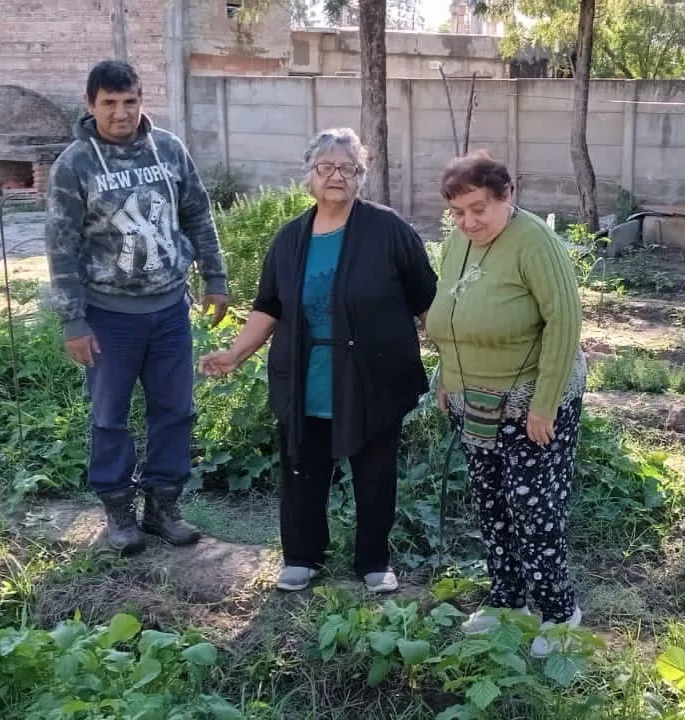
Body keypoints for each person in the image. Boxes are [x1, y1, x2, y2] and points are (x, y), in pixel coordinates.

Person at [198, 128, 437, 594]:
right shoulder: (291, 238)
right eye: (326, 167)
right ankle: (302, 557)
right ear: (309, 175)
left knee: (375, 472)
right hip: (305, 375)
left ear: (361, 176)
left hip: (373, 374)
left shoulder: (389, 230)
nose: (336, 176)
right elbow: (269, 307)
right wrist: (235, 353)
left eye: (348, 168)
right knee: (301, 469)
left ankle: (374, 561)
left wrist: (456, 357)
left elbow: (427, 300)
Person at [44, 60, 228, 556]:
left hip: (169, 311)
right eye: (109, 103)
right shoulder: (74, 165)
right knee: (110, 417)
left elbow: (197, 213)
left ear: (141, 101)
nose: (121, 113)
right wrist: (73, 320)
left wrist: (215, 277)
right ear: (90, 105)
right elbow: (60, 247)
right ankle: (119, 511)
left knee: (176, 411)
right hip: (108, 317)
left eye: (129, 101)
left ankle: (163, 507)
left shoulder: (168, 149)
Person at [425, 150, 586, 658]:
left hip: (530, 403)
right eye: (458, 212)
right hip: (475, 400)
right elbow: (450, 315)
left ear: (507, 195)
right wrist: (448, 379)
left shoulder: (534, 242)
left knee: (533, 508)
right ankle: (508, 599)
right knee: (492, 502)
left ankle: (558, 614)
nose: (468, 222)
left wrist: (545, 404)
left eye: (479, 209)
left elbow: (565, 321)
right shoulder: (458, 242)